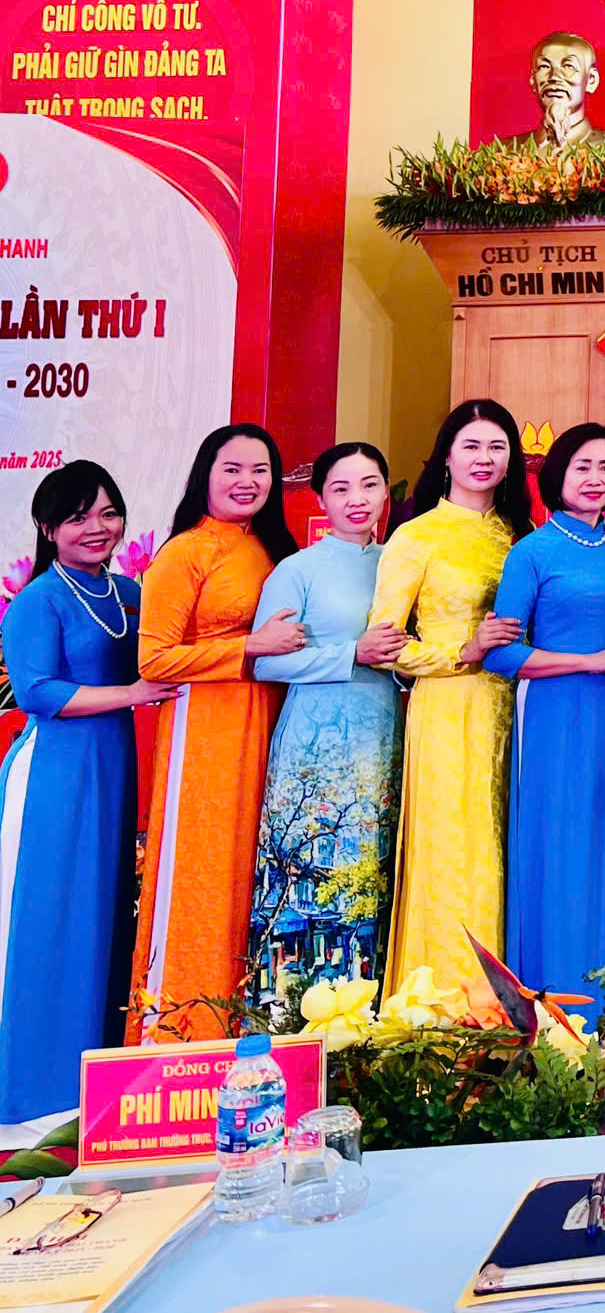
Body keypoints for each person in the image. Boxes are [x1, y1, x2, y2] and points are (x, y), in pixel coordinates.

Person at [0, 464, 178, 1118]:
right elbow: (36, 692)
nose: (97, 528)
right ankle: (27, 1100)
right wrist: (132, 693)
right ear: (48, 528)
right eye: (78, 518)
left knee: (102, 922)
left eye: (108, 513)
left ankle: (89, 1092)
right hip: (54, 778)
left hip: (112, 771)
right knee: (49, 923)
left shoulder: (129, 594)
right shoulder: (39, 600)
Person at [132, 423, 303, 1038]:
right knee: (200, 877)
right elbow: (154, 660)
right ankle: (181, 1035)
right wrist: (250, 645)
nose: (247, 481)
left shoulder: (271, 549)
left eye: (260, 470)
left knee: (251, 877)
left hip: (266, 725)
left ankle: (245, 1034)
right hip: (203, 734)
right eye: (232, 469)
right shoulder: (185, 552)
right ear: (205, 473)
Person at [372, 399, 530, 994]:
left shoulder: (520, 536)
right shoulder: (416, 536)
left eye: (496, 447)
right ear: (446, 457)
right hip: (449, 709)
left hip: (519, 710)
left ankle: (519, 998)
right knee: (456, 848)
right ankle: (450, 998)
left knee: (510, 847)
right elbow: (384, 646)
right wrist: (464, 649)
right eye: (471, 446)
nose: (483, 458)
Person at [248, 443, 408, 1011]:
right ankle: (291, 1018)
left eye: (369, 485)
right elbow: (266, 664)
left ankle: (370, 1019)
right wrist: (352, 653)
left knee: (373, 877)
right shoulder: (298, 570)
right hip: (316, 752)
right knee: (309, 879)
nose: (356, 499)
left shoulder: (399, 562)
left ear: (386, 492)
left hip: (384, 739)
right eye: (341, 488)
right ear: (320, 499)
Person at [488, 425, 605, 997]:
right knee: (560, 846)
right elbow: (503, 654)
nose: (595, 478)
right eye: (583, 466)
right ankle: (553, 1000)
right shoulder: (531, 551)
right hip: (555, 716)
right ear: (557, 474)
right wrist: (590, 660)